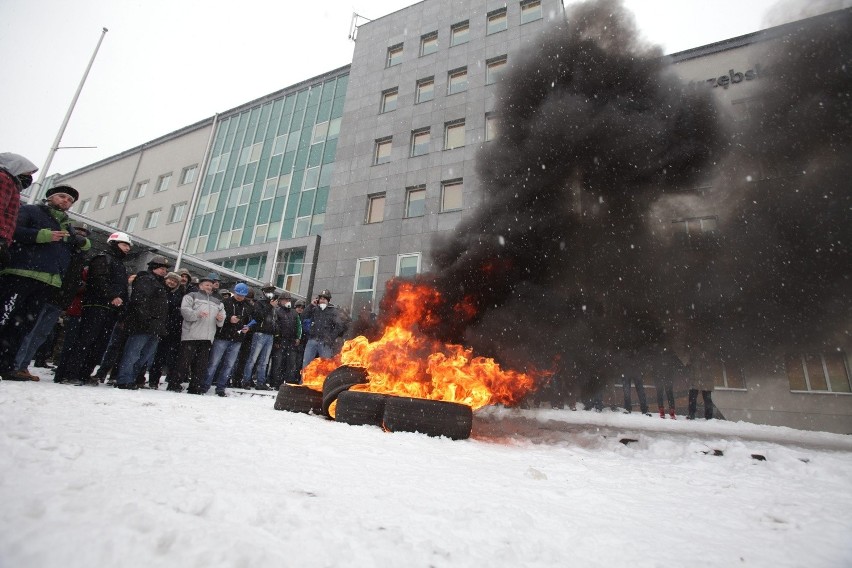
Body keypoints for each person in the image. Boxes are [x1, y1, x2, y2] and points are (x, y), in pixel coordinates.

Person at [0, 185, 91, 381]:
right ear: (50, 197)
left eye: (70, 200)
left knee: (23, 325)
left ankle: (7, 366)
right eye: (62, 196)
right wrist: (41, 235)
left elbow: (77, 246)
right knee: (7, 319)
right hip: (21, 273)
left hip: (47, 280)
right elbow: (12, 230)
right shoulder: (30, 211)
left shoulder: (66, 226)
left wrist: (81, 242)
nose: (65, 201)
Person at [63, 231, 131, 386]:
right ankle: (70, 373)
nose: (127, 248)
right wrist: (112, 296)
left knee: (100, 344)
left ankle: (85, 373)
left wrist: (123, 305)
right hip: (96, 306)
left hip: (112, 309)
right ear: (114, 244)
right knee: (86, 340)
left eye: (128, 246)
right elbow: (98, 280)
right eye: (124, 244)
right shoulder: (102, 258)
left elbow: (122, 288)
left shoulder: (120, 264)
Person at [114, 256, 171, 390]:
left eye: (165, 269)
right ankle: (124, 379)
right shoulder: (146, 279)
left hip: (155, 326)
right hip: (142, 324)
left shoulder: (158, 283)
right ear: (153, 268)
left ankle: (131, 378)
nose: (164, 271)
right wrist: (146, 320)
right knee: (133, 353)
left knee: (144, 356)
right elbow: (140, 301)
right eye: (161, 268)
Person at [170, 274, 225, 393]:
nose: (209, 287)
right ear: (200, 286)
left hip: (207, 337)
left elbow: (222, 315)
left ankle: (195, 386)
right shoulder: (192, 296)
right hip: (191, 335)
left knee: (201, 364)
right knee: (184, 362)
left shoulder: (217, 301)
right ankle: (174, 383)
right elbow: (184, 310)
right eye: (207, 285)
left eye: (211, 285)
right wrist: (196, 314)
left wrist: (220, 319)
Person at [201, 282, 251, 397]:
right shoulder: (225, 302)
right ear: (235, 292)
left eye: (242, 295)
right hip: (223, 336)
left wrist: (247, 327)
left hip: (237, 338)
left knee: (229, 364)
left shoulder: (247, 306)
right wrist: (229, 319)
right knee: (214, 362)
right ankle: (205, 385)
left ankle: (221, 387)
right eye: (238, 294)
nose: (240, 297)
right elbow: (217, 317)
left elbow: (249, 320)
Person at [147, 271, 185, 389]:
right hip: (156, 327)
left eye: (175, 281)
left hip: (171, 330)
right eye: (170, 280)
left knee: (163, 356)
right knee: (151, 354)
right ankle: (149, 379)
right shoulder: (159, 290)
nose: (172, 282)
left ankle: (155, 380)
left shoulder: (178, 295)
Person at [0, 152, 38, 270]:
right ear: (16, 167)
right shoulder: (4, 179)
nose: (29, 177)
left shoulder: (11, 184)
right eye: (27, 172)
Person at [240, 285, 280, 390]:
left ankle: (260, 382)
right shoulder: (259, 303)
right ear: (263, 292)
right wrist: (270, 306)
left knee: (264, 361)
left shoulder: (274, 306)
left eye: (272, 291)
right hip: (259, 334)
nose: (271, 293)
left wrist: (276, 333)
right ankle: (246, 381)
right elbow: (258, 316)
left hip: (270, 335)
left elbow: (275, 321)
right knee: (253, 359)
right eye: (268, 291)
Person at [301, 289, 346, 370]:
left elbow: (339, 326)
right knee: (306, 364)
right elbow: (303, 316)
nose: (322, 301)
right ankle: (304, 381)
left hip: (325, 343)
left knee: (326, 366)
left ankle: (323, 382)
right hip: (312, 340)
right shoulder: (314, 309)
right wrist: (311, 306)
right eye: (321, 299)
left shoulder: (333, 311)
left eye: (324, 299)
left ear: (328, 300)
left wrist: (331, 337)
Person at [269, 292, 302, 388]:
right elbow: (275, 326)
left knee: (291, 363)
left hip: (291, 341)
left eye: (289, 299)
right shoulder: (277, 311)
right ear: (281, 301)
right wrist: (277, 339)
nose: (288, 301)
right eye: (285, 299)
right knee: (278, 362)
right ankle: (275, 383)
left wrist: (297, 337)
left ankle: (289, 383)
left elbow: (298, 326)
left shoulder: (294, 312)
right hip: (280, 340)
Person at [620, 349, 650, 415]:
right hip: (634, 370)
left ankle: (629, 408)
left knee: (629, 391)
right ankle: (643, 409)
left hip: (631, 370)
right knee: (639, 391)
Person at [687, 351, 716, 420]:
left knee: (694, 397)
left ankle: (692, 414)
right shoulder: (704, 354)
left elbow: (689, 365)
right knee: (706, 398)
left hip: (701, 380)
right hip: (701, 380)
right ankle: (708, 416)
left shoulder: (697, 354)